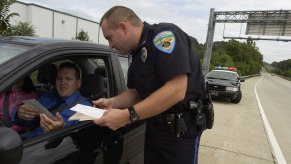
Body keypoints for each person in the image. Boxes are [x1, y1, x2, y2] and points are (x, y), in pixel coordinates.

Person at [93, 6, 206, 164]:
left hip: (180, 133)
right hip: (154, 129)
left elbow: (176, 90)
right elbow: (136, 92)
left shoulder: (164, 36)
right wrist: (112, 102)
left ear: (123, 27)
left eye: (109, 38)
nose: (110, 46)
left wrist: (127, 116)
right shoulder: (135, 53)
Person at [11, 62, 92, 138]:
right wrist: (19, 114)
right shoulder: (47, 97)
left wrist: (62, 128)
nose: (62, 82)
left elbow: (77, 133)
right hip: (28, 141)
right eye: (59, 78)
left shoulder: (85, 107)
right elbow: (30, 121)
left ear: (78, 83)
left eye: (68, 78)